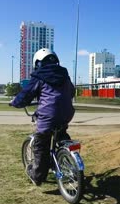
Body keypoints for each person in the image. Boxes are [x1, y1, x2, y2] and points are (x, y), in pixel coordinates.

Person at [10, 48, 75, 186]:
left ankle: (38, 176)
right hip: (67, 113)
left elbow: (26, 94)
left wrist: (15, 102)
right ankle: (67, 157)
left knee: (41, 144)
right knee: (61, 134)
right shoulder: (65, 75)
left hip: (48, 115)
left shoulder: (39, 76)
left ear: (38, 62)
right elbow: (72, 92)